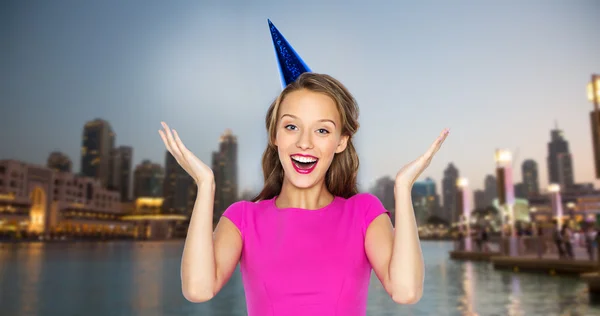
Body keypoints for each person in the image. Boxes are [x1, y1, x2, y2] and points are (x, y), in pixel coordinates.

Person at [158, 21, 449, 316]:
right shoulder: (243, 218)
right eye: (291, 126)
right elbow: (197, 289)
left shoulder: (363, 212)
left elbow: (407, 291)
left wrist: (403, 188)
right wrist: (205, 184)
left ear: (340, 141)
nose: (305, 143)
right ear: (275, 135)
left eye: (322, 131)